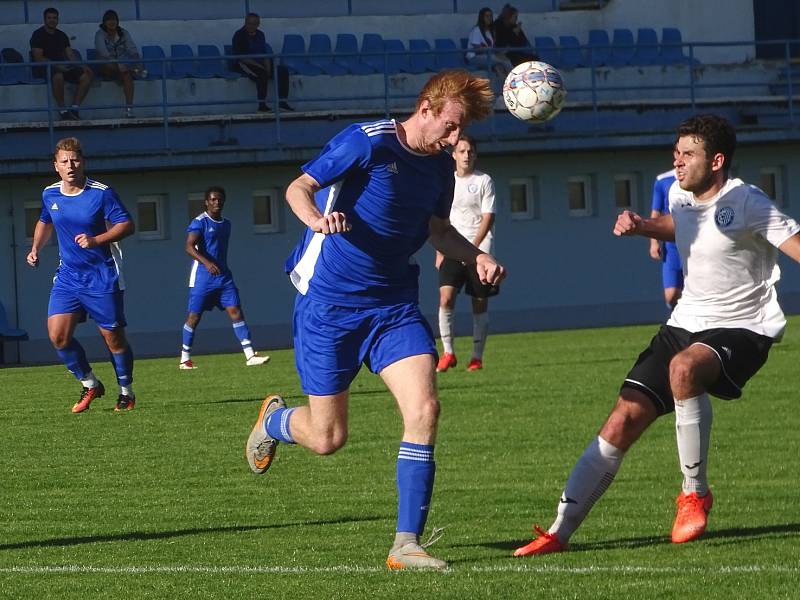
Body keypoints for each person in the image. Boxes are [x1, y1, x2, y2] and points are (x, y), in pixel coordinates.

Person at [244, 69, 505, 569]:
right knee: (327, 439)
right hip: (330, 306)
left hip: (393, 307)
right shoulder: (367, 142)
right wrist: (317, 219)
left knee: (425, 410)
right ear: (426, 109)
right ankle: (274, 420)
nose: (455, 140)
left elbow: (436, 229)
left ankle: (406, 544)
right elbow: (298, 187)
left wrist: (476, 256)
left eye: (462, 132)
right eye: (450, 127)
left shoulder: (438, 170)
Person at [514, 114, 800, 557]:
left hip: (742, 326)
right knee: (620, 420)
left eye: (688, 154)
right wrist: (644, 226)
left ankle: (694, 493)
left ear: (717, 160)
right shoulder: (676, 194)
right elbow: (681, 226)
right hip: (683, 322)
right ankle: (559, 532)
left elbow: (794, 242)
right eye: (676, 153)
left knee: (684, 369)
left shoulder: (748, 200)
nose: (677, 162)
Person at [26, 137, 138, 413]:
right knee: (57, 336)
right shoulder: (50, 194)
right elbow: (44, 220)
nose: (70, 165)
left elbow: (127, 225)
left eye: (75, 159)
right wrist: (35, 248)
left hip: (102, 274)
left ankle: (126, 391)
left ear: (83, 161)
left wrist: (97, 239)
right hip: (68, 277)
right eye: (64, 161)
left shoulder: (101, 193)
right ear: (56, 166)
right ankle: (90, 383)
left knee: (113, 338)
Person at [179, 186, 270, 369]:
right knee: (194, 317)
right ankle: (185, 358)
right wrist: (206, 263)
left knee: (236, 310)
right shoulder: (200, 222)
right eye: (212, 199)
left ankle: (250, 355)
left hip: (223, 277)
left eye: (219, 199)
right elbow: (189, 247)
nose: (216, 202)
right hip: (203, 277)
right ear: (206, 202)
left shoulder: (226, 224)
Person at [435, 134, 498, 373]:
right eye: (461, 151)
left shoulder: (484, 181)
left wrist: (473, 249)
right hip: (452, 247)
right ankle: (448, 353)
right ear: (454, 155)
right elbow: (442, 218)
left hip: (479, 250)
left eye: (470, 151)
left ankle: (476, 356)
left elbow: (488, 216)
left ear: (475, 154)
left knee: (478, 302)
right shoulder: (447, 181)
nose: (466, 155)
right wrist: (441, 248)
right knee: (445, 298)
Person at [30, 7, 94, 120]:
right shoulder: (37, 35)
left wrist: (83, 66)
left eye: (54, 18)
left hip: (62, 66)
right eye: (49, 18)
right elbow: (38, 58)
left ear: (58, 19)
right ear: (44, 19)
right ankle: (63, 109)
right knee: (58, 76)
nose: (52, 20)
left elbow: (70, 55)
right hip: (44, 68)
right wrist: (57, 65)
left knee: (86, 76)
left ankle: (74, 108)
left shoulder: (62, 35)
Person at [231, 13, 293, 113]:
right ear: (245, 22)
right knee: (262, 74)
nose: (251, 26)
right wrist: (261, 66)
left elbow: (264, 53)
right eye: (249, 23)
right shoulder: (239, 35)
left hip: (260, 62)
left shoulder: (260, 34)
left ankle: (282, 102)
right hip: (244, 63)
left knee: (282, 71)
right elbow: (241, 57)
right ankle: (262, 106)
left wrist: (268, 67)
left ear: (258, 24)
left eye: (254, 23)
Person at [94, 9, 145, 118]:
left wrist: (137, 62)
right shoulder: (99, 34)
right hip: (106, 67)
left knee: (127, 75)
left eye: (114, 19)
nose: (112, 22)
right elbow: (103, 53)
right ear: (104, 22)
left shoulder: (124, 33)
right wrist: (118, 64)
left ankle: (129, 110)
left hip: (122, 68)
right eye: (108, 20)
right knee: (103, 59)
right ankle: (132, 71)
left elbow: (132, 50)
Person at [649, 168, 684, 308]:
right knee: (671, 295)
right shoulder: (663, 180)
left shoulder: (697, 178)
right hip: (672, 247)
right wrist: (653, 242)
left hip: (694, 245)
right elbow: (655, 214)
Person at [465, 7, 513, 78]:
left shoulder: (489, 32)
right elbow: (477, 49)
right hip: (474, 58)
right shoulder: (476, 30)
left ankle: (505, 85)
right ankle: (515, 78)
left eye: (490, 16)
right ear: (482, 17)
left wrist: (501, 52)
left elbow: (492, 48)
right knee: (504, 61)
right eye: (487, 16)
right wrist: (494, 54)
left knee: (499, 67)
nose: (489, 18)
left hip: (488, 56)